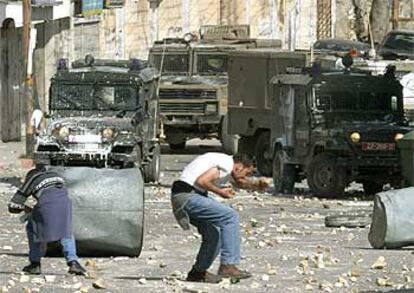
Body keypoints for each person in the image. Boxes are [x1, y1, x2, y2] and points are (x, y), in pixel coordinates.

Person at [170, 152, 268, 283]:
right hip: (187, 195)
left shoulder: (226, 165)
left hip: (187, 195)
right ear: (238, 166)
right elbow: (202, 181)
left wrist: (256, 185)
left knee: (213, 235)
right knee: (230, 216)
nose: (246, 177)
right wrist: (220, 192)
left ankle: (197, 273)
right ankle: (228, 265)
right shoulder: (226, 164)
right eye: (247, 173)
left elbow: (239, 182)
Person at [8, 167, 87, 275]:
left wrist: (25, 208)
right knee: (65, 230)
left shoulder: (33, 179)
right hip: (65, 204)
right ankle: (73, 262)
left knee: (33, 226)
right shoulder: (57, 176)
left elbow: (13, 206)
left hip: (47, 204)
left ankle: (35, 264)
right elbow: (55, 195)